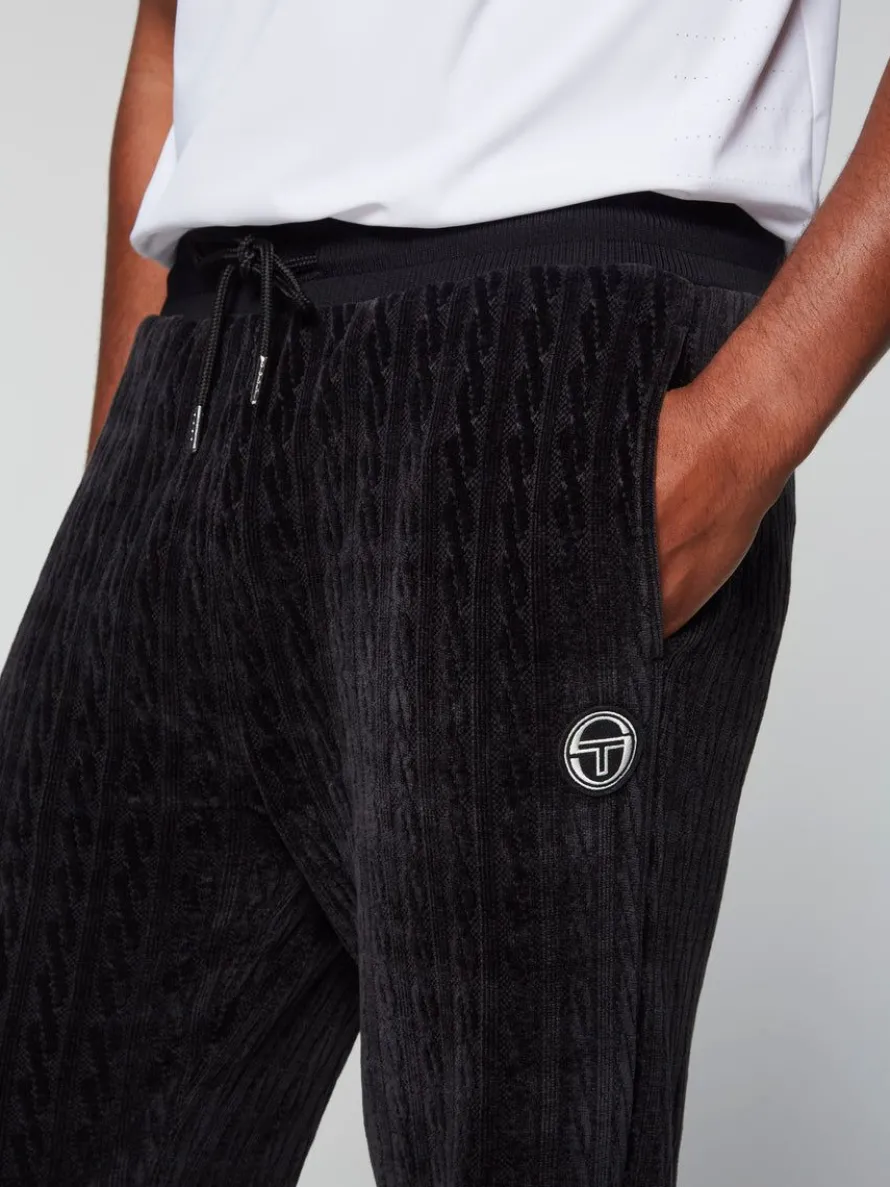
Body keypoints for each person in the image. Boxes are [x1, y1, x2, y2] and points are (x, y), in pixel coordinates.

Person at [0, 1, 884, 1183]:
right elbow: (167, 26)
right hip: (200, 357)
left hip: (545, 358)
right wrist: (128, 462)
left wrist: (748, 424)